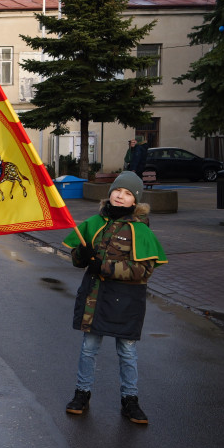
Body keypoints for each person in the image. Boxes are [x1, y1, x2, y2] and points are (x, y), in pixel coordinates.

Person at [62, 171, 167, 425]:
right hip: (95, 297)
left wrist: (104, 267)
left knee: (127, 351)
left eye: (128, 193)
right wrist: (82, 255)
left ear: (135, 201)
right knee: (89, 348)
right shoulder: (94, 223)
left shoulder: (140, 231)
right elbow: (78, 260)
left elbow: (143, 271)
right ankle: (82, 394)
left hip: (126, 301)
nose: (120, 196)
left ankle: (130, 400)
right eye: (118, 191)